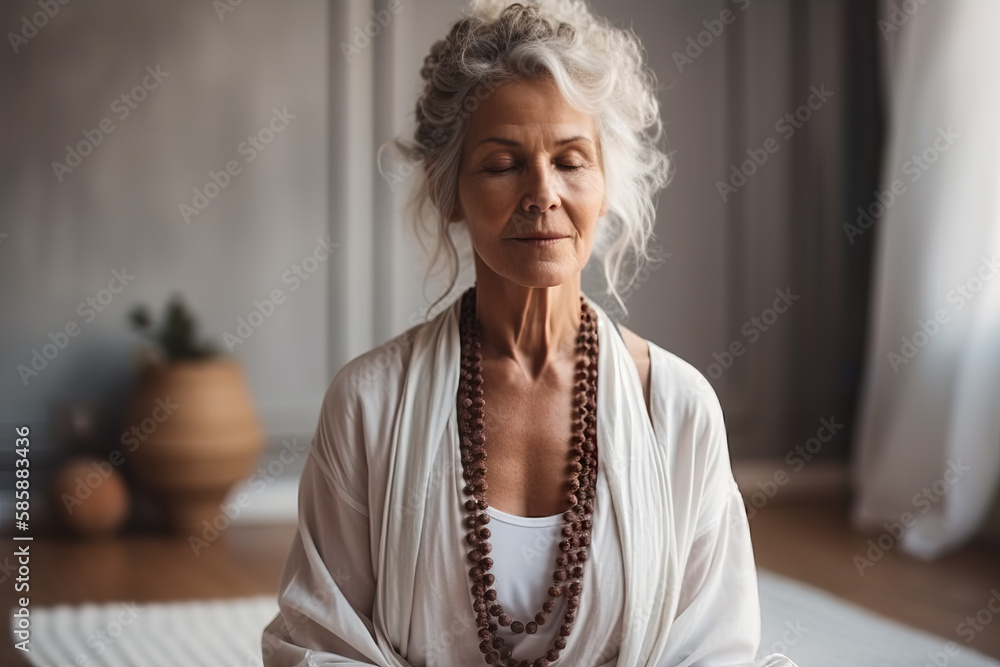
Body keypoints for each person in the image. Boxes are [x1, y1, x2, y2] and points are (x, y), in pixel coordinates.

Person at [261, 1, 799, 665]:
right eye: (502, 163)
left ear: (606, 185)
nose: (542, 192)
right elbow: (318, 643)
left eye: (571, 160)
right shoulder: (369, 405)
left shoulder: (678, 409)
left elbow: (714, 650)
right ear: (450, 191)